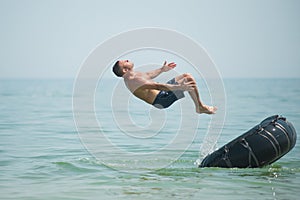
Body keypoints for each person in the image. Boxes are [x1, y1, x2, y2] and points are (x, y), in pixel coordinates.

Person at [112, 60, 217, 114]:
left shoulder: (135, 75)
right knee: (188, 78)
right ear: (125, 70)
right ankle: (200, 107)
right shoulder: (133, 81)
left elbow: (148, 75)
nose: (127, 60)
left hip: (162, 94)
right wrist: (179, 87)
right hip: (161, 100)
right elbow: (158, 86)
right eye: (125, 62)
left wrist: (162, 69)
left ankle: (200, 107)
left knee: (186, 76)